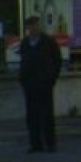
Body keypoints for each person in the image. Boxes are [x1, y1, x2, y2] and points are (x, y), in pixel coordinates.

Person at [17, 15, 63, 153]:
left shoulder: (48, 42)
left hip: (44, 83)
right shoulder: (25, 43)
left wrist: (52, 78)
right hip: (29, 84)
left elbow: (57, 60)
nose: (33, 29)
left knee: (47, 114)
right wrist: (22, 79)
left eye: (35, 25)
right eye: (30, 26)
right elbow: (23, 61)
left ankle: (50, 143)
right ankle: (35, 144)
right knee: (32, 115)